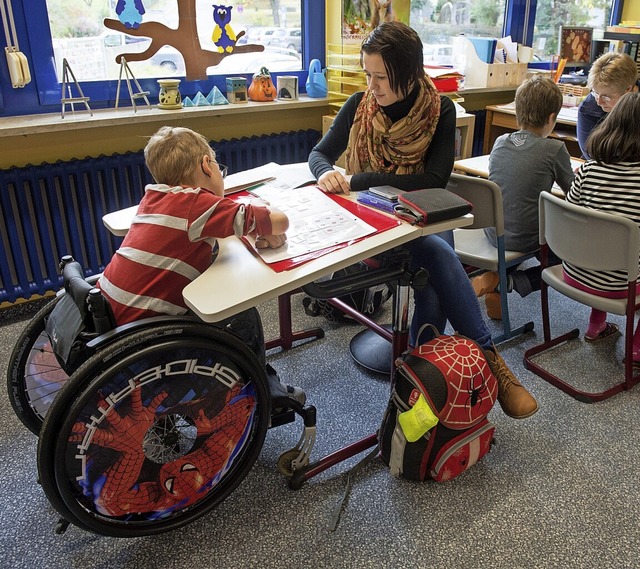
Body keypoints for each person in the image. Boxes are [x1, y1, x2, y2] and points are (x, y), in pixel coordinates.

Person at [308, 21, 538, 419]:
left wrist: (358, 179)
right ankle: (483, 362)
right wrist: (324, 171)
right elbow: (318, 155)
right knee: (440, 257)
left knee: (435, 260)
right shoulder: (359, 105)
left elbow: (432, 181)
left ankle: (423, 361)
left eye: (381, 76)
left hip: (418, 217)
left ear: (411, 73)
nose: (372, 85)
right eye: (368, 74)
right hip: (370, 226)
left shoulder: (440, 111)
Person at [98, 125, 304, 406]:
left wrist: (251, 228)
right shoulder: (198, 205)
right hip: (147, 340)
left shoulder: (154, 197)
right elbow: (280, 220)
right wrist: (265, 228)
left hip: (112, 323)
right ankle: (262, 392)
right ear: (207, 165)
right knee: (243, 315)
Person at [472, 74, 575, 320]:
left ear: (517, 112)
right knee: (569, 260)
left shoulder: (499, 141)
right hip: (524, 239)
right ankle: (508, 283)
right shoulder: (555, 149)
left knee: (520, 220)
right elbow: (573, 191)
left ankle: (496, 282)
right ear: (551, 118)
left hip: (494, 232)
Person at [564, 92, 640, 352]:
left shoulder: (587, 170)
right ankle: (637, 346)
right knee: (623, 253)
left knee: (603, 243)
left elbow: (569, 216)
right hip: (619, 284)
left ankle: (596, 324)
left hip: (576, 271)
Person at [576, 51, 639, 160]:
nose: (599, 102)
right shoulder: (588, 108)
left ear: (628, 90)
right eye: (595, 92)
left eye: (606, 97)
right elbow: (590, 153)